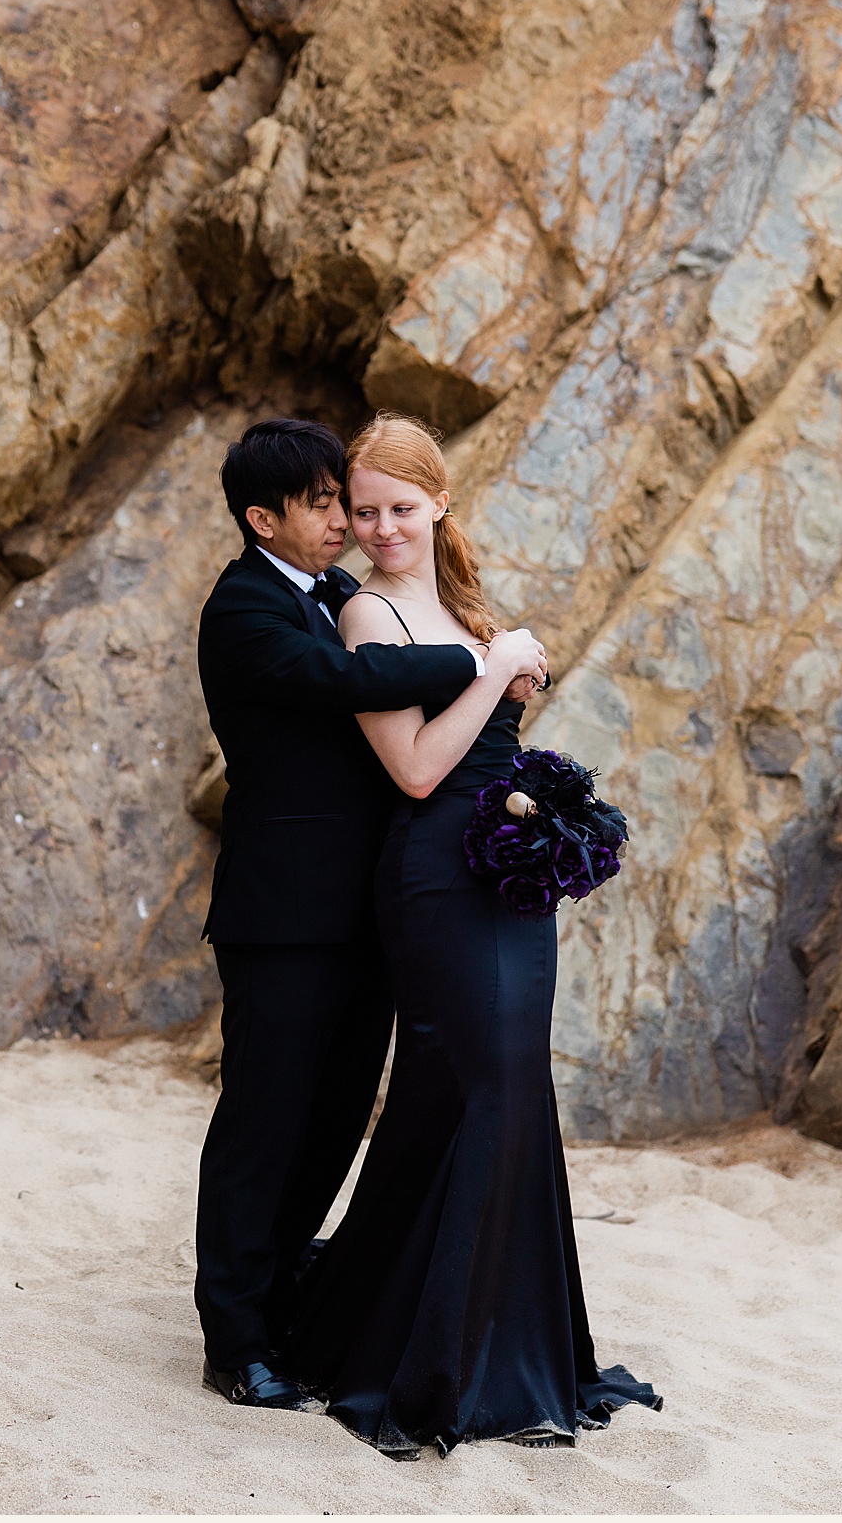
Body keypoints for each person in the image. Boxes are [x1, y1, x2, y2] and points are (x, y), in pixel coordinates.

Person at [279, 412, 661, 1457]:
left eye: (399, 508)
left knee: (498, 1087)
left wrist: (508, 684)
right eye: (362, 511)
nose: (379, 528)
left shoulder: (456, 603)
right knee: (477, 1083)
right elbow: (410, 767)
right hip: (432, 874)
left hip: (506, 873)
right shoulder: (364, 620)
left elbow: (480, 741)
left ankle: (508, 1347)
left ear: (438, 503)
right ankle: (433, 1360)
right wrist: (496, 671)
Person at [191, 417, 551, 1411]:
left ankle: (280, 1299)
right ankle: (234, 1339)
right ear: (262, 518)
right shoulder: (243, 608)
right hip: (284, 914)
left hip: (370, 910)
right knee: (263, 1124)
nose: (341, 521)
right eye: (319, 505)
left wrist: (499, 669)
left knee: (337, 1119)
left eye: (338, 499)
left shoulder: (336, 592)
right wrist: (485, 660)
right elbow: (353, 680)